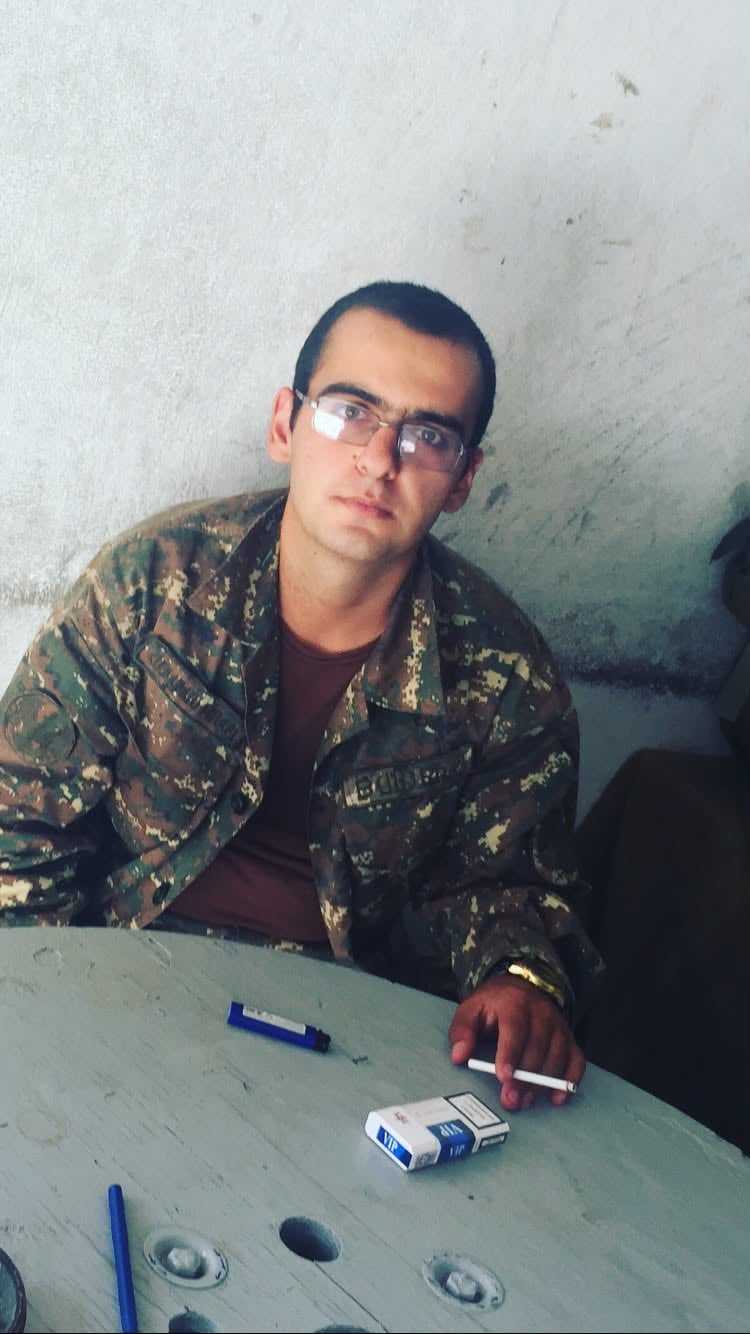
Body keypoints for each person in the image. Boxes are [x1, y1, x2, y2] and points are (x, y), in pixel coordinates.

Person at [0, 280, 602, 1111]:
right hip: (124, 966)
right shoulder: (150, 585)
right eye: (351, 412)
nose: (379, 460)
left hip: (346, 1023)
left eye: (428, 436)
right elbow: (20, 822)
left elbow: (510, 885)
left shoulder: (503, 673)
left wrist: (521, 978)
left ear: (463, 479)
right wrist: (44, 1012)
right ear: (286, 424)